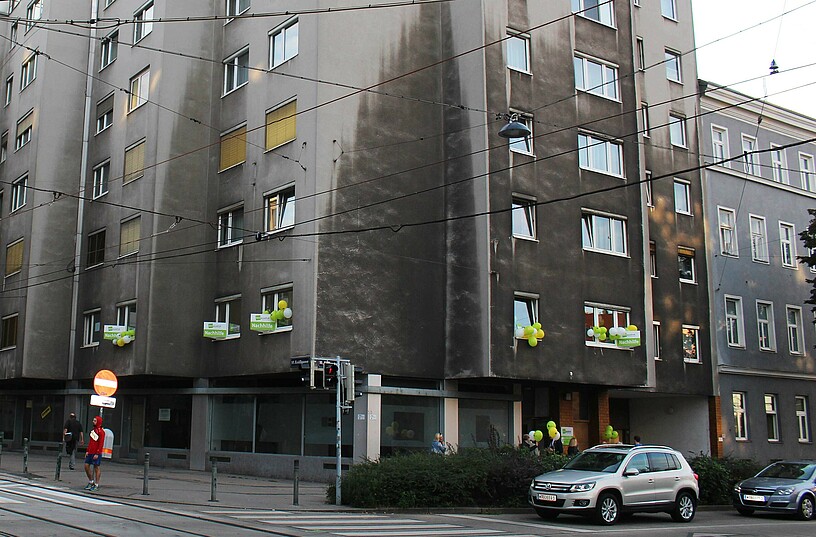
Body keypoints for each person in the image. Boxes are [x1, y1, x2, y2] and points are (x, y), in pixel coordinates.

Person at [84, 416, 105, 491]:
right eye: (93, 420)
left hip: (96, 452)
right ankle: (91, 481)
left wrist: (98, 452)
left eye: (95, 420)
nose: (93, 421)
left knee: (96, 467)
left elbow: (101, 443)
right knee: (86, 465)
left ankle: (96, 484)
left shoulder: (101, 432)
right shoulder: (93, 430)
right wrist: (87, 450)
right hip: (90, 452)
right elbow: (91, 442)